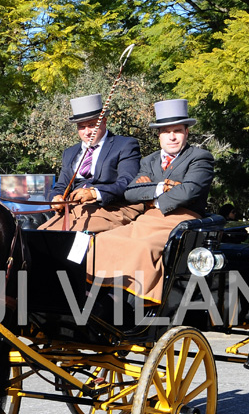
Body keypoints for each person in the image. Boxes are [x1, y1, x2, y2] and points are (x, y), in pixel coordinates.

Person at [88, 99, 214, 309]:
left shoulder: (200, 158)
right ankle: (102, 295)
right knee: (102, 240)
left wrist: (150, 195)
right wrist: (162, 187)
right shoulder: (149, 161)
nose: (172, 137)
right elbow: (130, 192)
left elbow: (189, 191)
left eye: (177, 131)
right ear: (159, 135)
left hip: (181, 221)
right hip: (146, 219)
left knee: (140, 247)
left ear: (186, 133)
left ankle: (134, 302)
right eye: (166, 131)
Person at [38, 94, 142, 232]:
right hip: (73, 211)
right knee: (40, 234)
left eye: (92, 125)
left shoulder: (125, 145)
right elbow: (61, 185)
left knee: (74, 237)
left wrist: (95, 193)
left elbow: (127, 181)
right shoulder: (70, 153)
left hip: (110, 209)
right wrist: (55, 198)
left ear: (104, 121)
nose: (87, 132)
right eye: (82, 127)